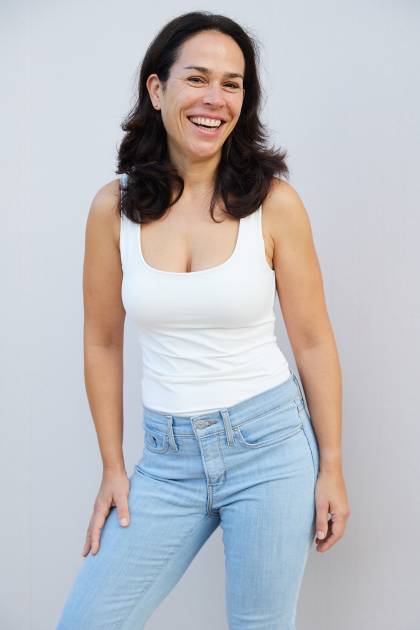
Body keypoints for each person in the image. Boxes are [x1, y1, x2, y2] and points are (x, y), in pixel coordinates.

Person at [56, 10, 350, 630]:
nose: (215, 98)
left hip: (270, 447)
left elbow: (313, 341)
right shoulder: (113, 208)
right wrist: (112, 466)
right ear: (156, 89)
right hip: (167, 461)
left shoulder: (274, 204)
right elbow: (102, 341)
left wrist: (332, 465)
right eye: (197, 78)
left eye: (232, 83)